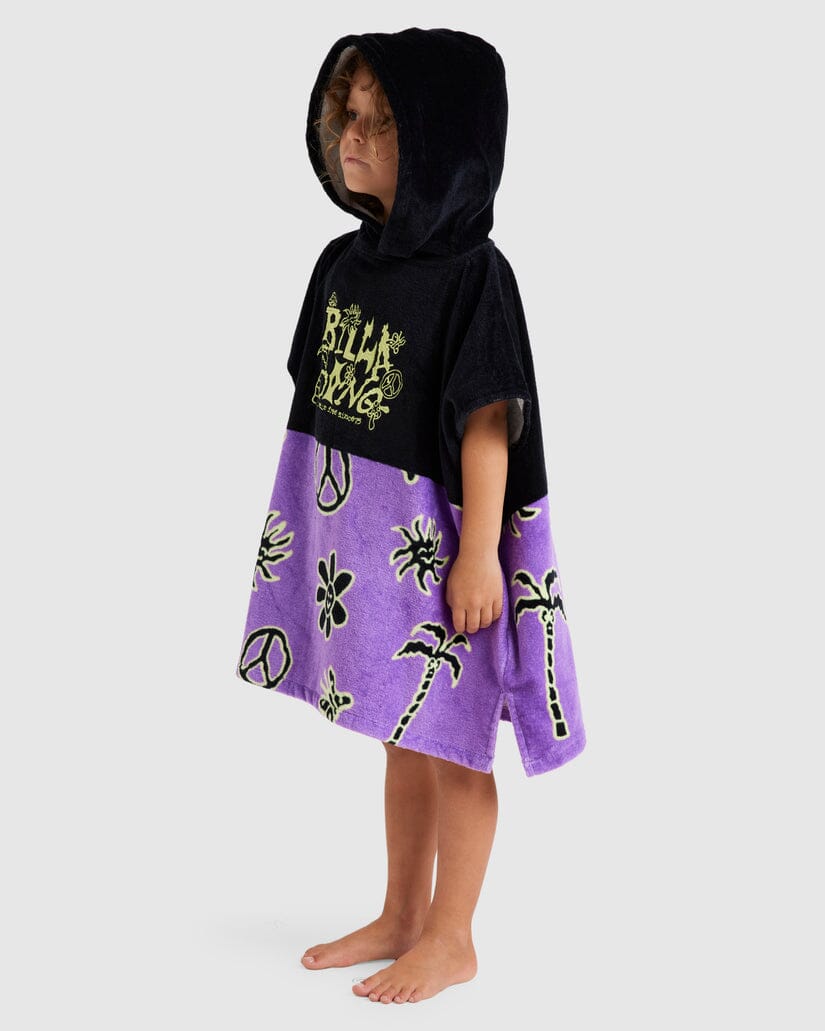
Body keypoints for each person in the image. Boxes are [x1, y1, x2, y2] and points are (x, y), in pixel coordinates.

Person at [234, 27, 587, 1004]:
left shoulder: (476, 277)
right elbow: (324, 406)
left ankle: (452, 935)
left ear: (442, 143)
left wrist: (479, 556)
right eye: (346, 116)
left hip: (443, 545)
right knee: (402, 731)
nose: (352, 137)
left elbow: (487, 424)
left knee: (456, 739)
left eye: (382, 123)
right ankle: (400, 912)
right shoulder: (342, 264)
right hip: (366, 543)